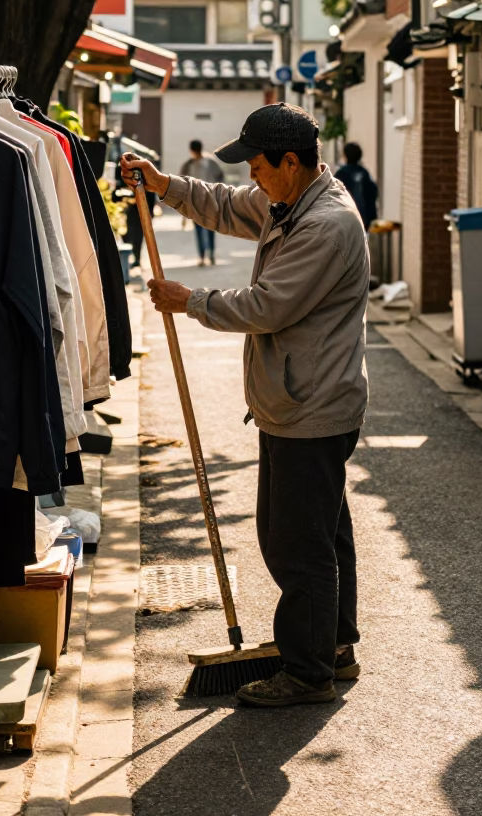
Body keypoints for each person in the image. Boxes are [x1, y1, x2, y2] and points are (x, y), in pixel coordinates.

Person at [121, 103, 369, 709]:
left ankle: (308, 671)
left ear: (291, 162)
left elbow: (267, 306)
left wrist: (191, 300)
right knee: (324, 533)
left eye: (259, 166)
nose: (253, 177)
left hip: (310, 405)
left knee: (294, 543)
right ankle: (333, 646)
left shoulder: (325, 225)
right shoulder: (291, 200)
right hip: (302, 397)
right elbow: (229, 205)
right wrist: (166, 186)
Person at [180, 140, 224, 265]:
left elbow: (181, 182)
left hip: (201, 201)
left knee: (205, 229)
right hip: (204, 201)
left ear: (192, 150)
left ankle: (205, 255)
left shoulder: (193, 164)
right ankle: (207, 255)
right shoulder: (206, 163)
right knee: (207, 228)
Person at [335, 142, 378, 230]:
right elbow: (374, 192)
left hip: (345, 219)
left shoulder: (341, 174)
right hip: (364, 219)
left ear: (345, 156)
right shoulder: (364, 173)